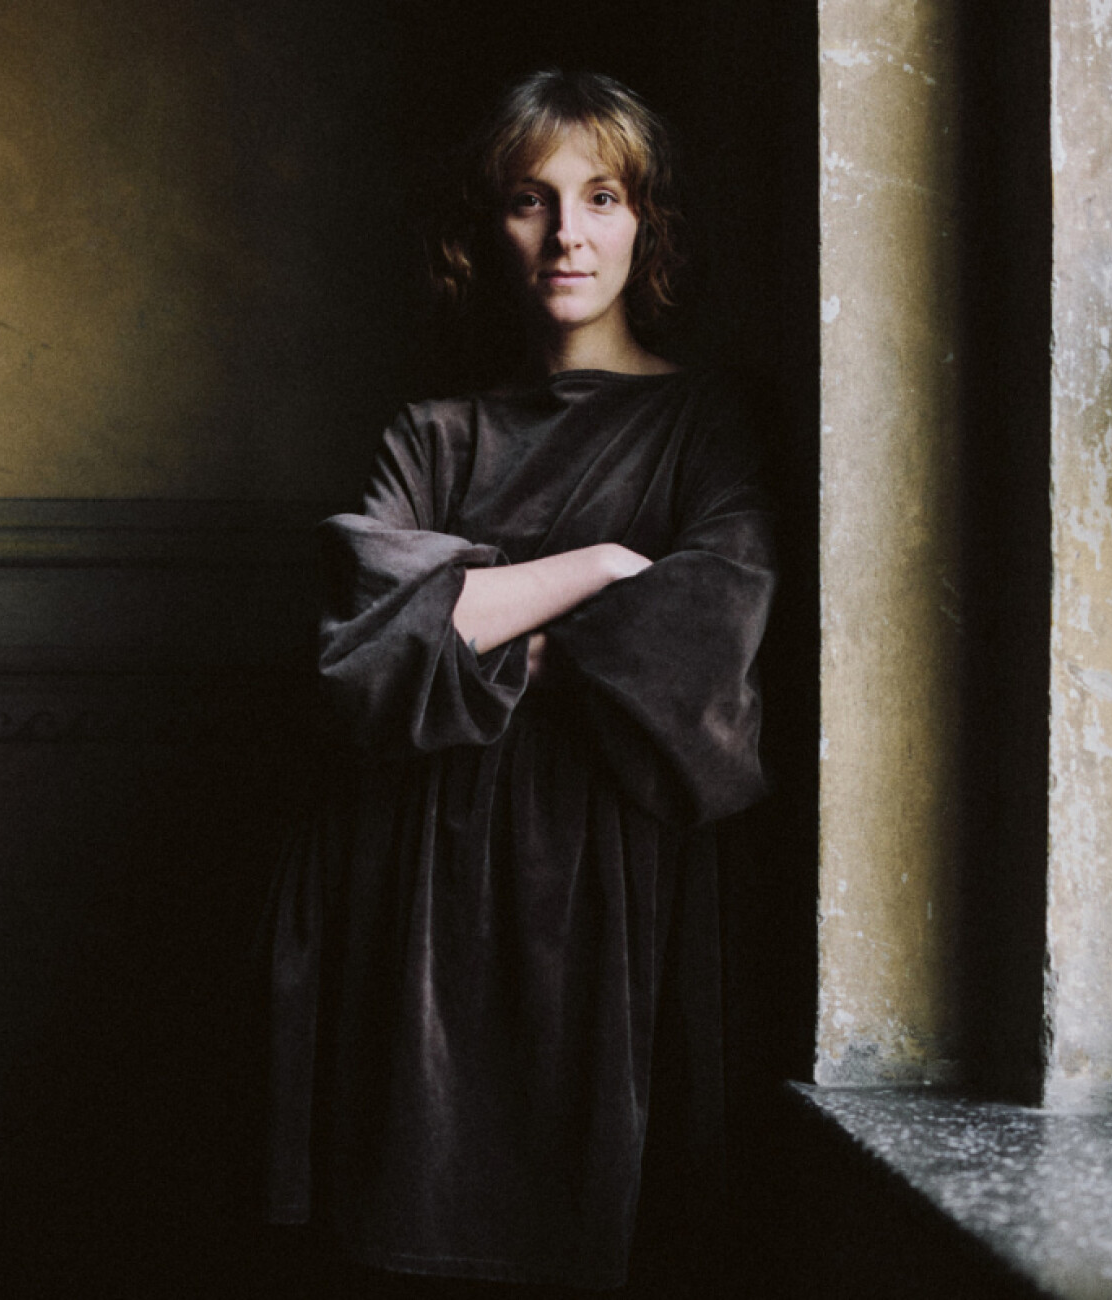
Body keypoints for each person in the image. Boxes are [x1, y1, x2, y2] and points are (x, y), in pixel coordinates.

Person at [259, 68, 775, 1294]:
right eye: (530, 200)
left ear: (647, 223)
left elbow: (698, 646)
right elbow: (356, 653)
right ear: (485, 226)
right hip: (413, 895)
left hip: (612, 895)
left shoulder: (706, 424)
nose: (566, 235)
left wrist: (469, 622)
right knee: (406, 1232)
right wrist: (597, 567)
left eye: (602, 198)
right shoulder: (430, 434)